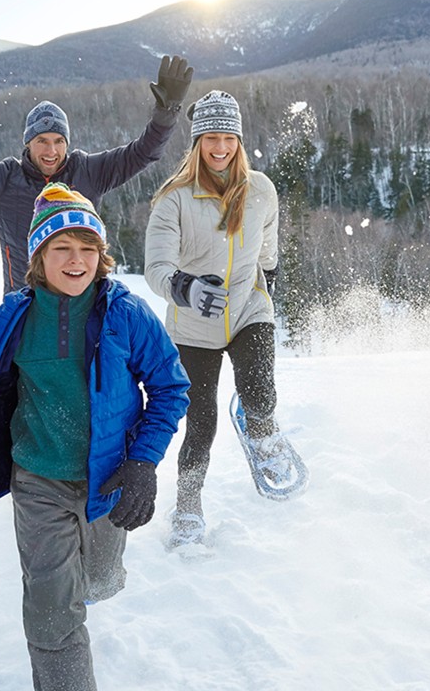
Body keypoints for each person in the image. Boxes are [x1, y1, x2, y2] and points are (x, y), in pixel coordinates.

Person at [0, 183, 190, 691]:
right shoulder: (11, 323)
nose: (77, 261)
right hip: (39, 484)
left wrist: (143, 463)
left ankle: (86, 582)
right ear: (38, 257)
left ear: (101, 254)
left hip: (110, 481)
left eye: (87, 248)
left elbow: (170, 388)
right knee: (53, 618)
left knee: (100, 578)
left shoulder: (126, 314)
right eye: (61, 248)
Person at [0, 44, 194, 294]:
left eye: (58, 141)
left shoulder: (90, 172)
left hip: (83, 312)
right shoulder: (2, 180)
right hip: (24, 313)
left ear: (67, 142)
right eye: (41, 141)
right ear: (27, 143)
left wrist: (166, 113)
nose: (51, 151)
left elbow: (144, 152)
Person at [144, 89, 285, 548]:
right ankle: (188, 503)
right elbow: (156, 268)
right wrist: (186, 287)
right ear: (197, 141)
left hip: (248, 308)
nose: (220, 148)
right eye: (210, 138)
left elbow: (268, 255)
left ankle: (262, 430)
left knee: (260, 388)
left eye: (228, 137)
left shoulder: (261, 190)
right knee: (200, 425)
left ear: (239, 140)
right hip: (193, 327)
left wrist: (266, 291)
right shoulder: (174, 199)